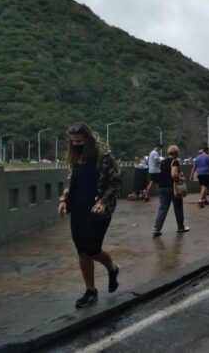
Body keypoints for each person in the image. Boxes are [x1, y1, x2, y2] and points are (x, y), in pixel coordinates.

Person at [57, 122, 121, 309]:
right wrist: (64, 200)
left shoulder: (104, 157)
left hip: (98, 209)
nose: (76, 144)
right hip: (78, 208)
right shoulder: (75, 157)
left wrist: (103, 202)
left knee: (93, 249)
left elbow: (115, 183)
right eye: (73, 142)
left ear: (88, 138)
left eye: (79, 141)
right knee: (82, 252)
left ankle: (112, 269)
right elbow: (72, 182)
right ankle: (90, 290)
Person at [152, 145, 190, 236]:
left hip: (162, 187)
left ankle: (157, 228)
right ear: (176, 153)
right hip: (172, 188)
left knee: (163, 208)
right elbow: (173, 174)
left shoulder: (163, 162)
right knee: (178, 207)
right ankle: (180, 227)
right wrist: (181, 179)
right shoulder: (175, 161)